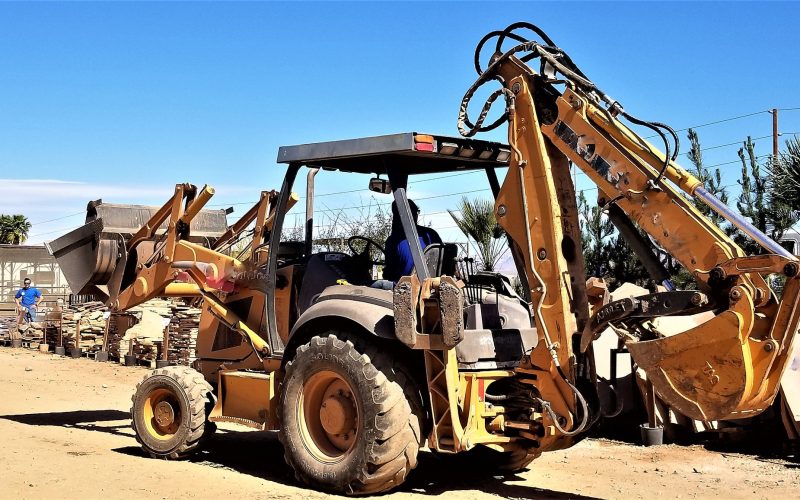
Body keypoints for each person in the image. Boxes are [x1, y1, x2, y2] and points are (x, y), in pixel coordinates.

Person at [381, 200, 442, 284]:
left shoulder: (394, 240)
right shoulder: (431, 234)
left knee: (370, 284)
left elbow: (390, 272)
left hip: (406, 286)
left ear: (397, 216)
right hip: (433, 283)